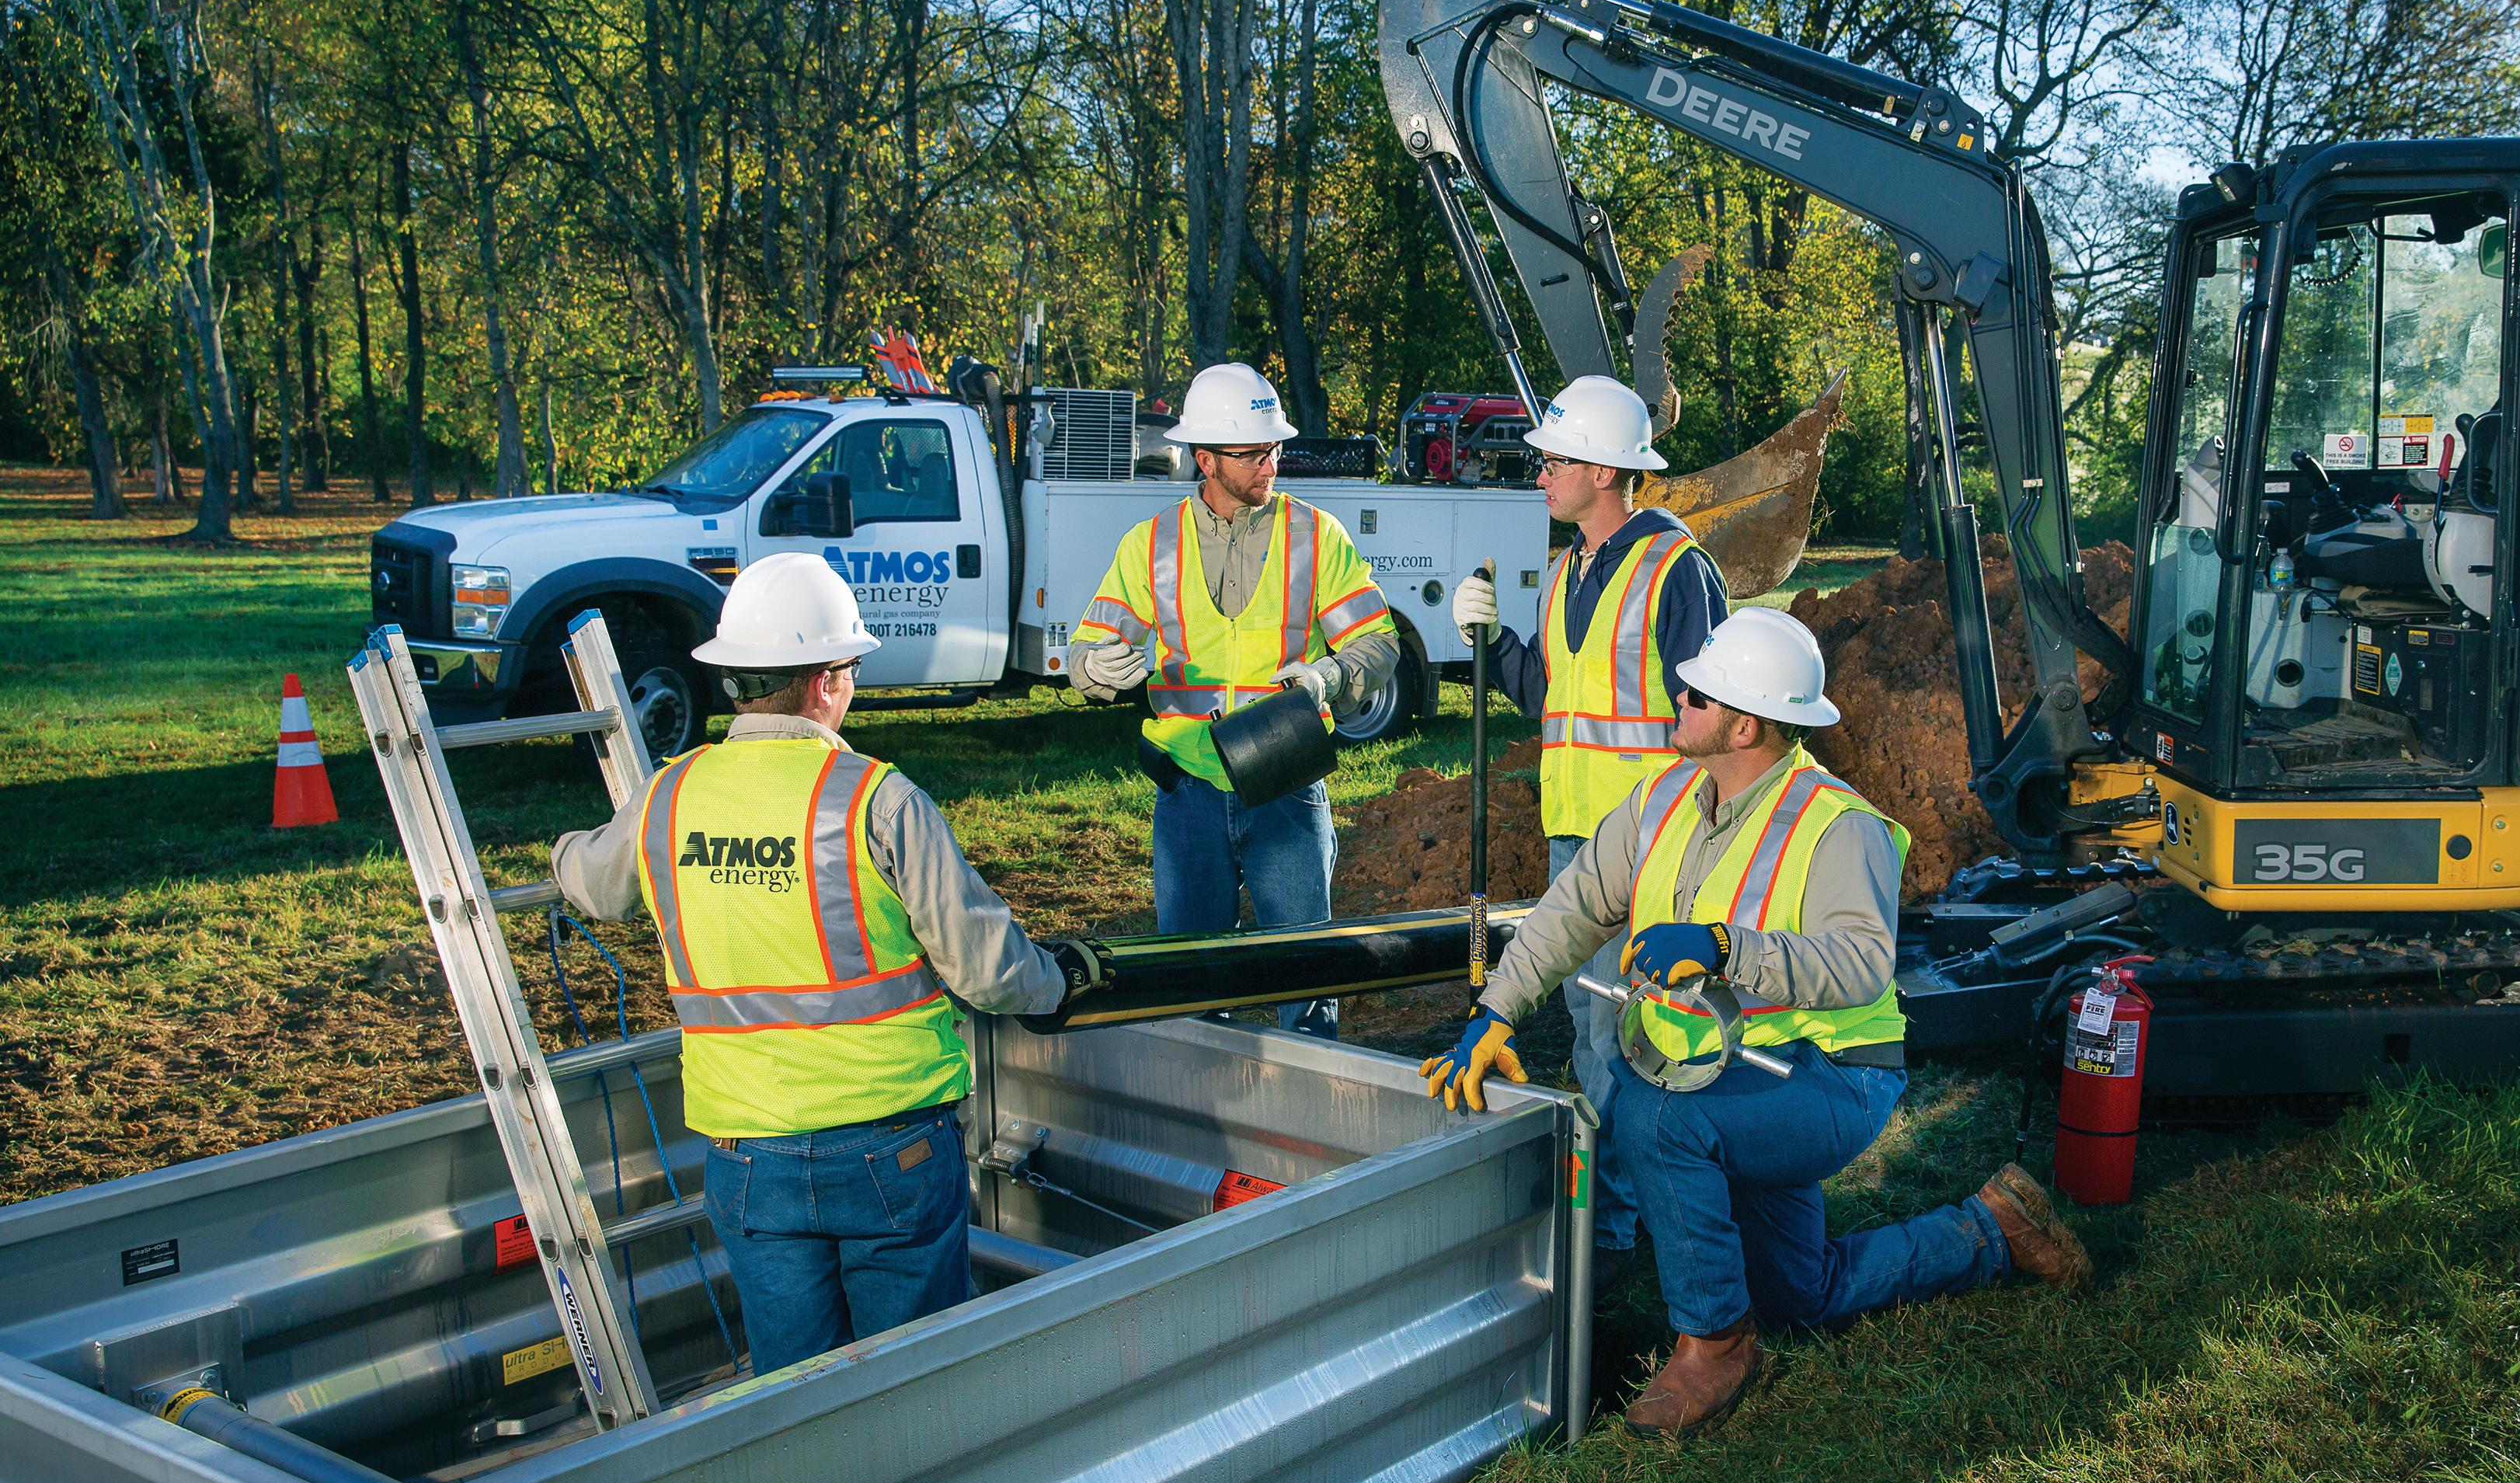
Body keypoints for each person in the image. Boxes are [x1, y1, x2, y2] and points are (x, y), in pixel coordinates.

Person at [1420, 607, 2091, 1439]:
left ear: (1744, 722)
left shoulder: (1838, 825)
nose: (1678, 694)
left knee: (1655, 1115)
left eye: (1698, 693)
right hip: (1736, 1073)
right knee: (1797, 1295)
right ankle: (1993, 1228)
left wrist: (1723, 947)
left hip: (1833, 1076)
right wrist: (1497, 1010)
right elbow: (1573, 907)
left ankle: (1715, 1342)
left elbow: (1859, 965)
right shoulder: (1662, 795)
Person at [552, 552, 1102, 1375]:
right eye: (849, 666)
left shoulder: (671, 793)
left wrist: (560, 854)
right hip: (889, 1149)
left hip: (749, 1157)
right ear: (824, 682)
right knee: (909, 1387)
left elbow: (593, 883)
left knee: (791, 1395)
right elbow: (988, 970)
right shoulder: (874, 799)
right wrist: (1062, 978)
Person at [1446, 374, 1729, 1286]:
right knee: (1592, 1027)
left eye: (1555, 459)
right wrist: (1493, 650)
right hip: (1578, 836)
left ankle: (1616, 1229)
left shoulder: (1674, 568)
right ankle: (1625, 1211)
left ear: (1606, 470)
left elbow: (1717, 717)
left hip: (1649, 843)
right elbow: (1554, 701)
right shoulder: (1572, 567)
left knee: (1621, 1035)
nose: (1542, 474)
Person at [1067, 361, 1401, 1037]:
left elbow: (1378, 643)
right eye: (1250, 453)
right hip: (1188, 790)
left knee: (1307, 979)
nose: (1268, 464)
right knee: (1190, 986)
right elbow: (1083, 654)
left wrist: (1329, 678)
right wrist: (1097, 667)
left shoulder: (1316, 534)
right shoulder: (1150, 544)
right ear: (1205, 458)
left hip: (1288, 781)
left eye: (1273, 448)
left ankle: (1308, 1118)